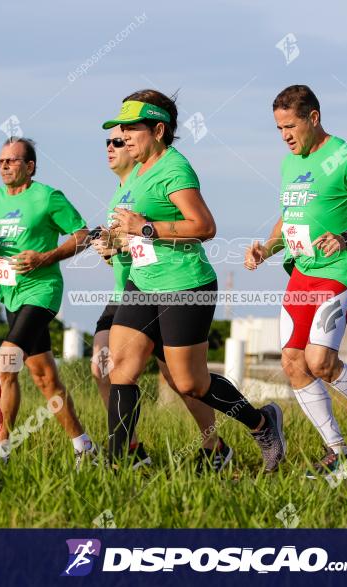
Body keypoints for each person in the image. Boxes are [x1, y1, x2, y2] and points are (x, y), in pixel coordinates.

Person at [101, 90, 286, 472]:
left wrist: (145, 227)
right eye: (121, 129)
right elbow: (131, 231)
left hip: (185, 285)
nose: (123, 136)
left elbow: (204, 226)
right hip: (142, 283)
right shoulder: (135, 173)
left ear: (158, 129)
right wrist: (115, 242)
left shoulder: (175, 169)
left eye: (132, 129)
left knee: (190, 384)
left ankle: (262, 424)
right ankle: (114, 467)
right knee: (120, 367)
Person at [245, 85, 347, 479]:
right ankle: (338, 452)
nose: (285, 135)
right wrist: (267, 248)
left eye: (290, 125)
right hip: (301, 273)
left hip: (338, 272)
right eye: (279, 128)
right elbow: (290, 216)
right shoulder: (289, 164)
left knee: (320, 361)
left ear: (313, 118)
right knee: (293, 363)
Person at [90, 127, 229, 473]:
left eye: (119, 142)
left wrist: (140, 231)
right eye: (108, 141)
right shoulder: (121, 195)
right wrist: (110, 247)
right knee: (106, 368)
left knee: (183, 382)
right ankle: (126, 453)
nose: (112, 146)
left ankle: (215, 444)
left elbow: (194, 228)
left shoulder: (149, 182)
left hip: (165, 289)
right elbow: (130, 249)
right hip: (128, 293)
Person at [0, 137, 96, 469]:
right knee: (44, 378)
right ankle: (84, 448)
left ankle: (0, 451)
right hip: (10, 295)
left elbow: (83, 234)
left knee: (4, 364)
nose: (4, 166)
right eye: (0, 161)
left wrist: (46, 257)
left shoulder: (47, 197)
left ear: (29, 167)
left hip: (42, 293)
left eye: (11, 161)